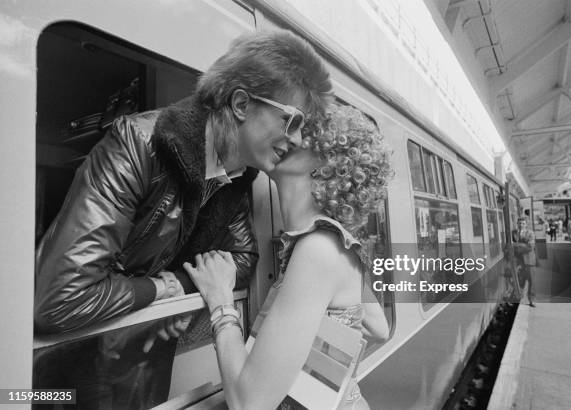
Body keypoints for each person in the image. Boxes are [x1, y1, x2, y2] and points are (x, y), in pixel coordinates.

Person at [33, 30, 332, 409]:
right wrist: (165, 290)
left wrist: (181, 280)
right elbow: (61, 298)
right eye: (293, 122)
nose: (301, 140)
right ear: (241, 103)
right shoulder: (139, 144)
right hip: (72, 364)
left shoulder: (237, 177)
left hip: (144, 361)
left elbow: (241, 262)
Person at [184, 105, 393, 409]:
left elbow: (248, 403)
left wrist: (220, 302)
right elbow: (378, 327)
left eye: (302, 133)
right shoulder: (332, 243)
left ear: (326, 165)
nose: (286, 137)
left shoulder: (318, 250)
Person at [513, 217, 536, 307]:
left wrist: (516, 245)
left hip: (529, 261)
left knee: (532, 281)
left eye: (523, 223)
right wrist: (521, 245)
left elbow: (530, 247)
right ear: (517, 224)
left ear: (526, 224)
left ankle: (531, 300)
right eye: (519, 223)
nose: (521, 225)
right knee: (519, 280)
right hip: (518, 261)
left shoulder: (530, 233)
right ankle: (518, 297)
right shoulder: (513, 233)